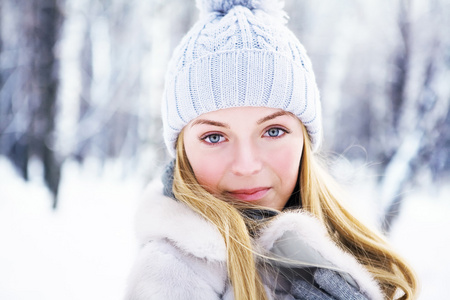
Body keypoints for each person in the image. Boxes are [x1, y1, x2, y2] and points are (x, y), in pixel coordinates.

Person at [125, 0, 418, 299]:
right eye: (214, 137)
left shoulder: (357, 257)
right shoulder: (169, 276)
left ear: (304, 139)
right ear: (183, 150)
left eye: (273, 131)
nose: (246, 165)